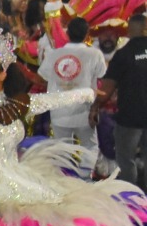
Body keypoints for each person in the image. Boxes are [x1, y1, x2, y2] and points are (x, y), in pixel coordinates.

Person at [97, 14, 147, 192]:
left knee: (125, 156)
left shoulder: (123, 54)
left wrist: (95, 105)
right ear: (146, 29)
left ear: (130, 31)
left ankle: (130, 192)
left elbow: (108, 87)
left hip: (130, 115)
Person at [37, 17, 106, 166]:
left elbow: (42, 77)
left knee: (61, 150)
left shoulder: (53, 54)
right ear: (87, 34)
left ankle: (62, 178)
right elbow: (102, 77)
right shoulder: (95, 54)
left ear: (67, 33)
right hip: (84, 112)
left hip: (59, 112)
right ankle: (85, 178)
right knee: (90, 147)